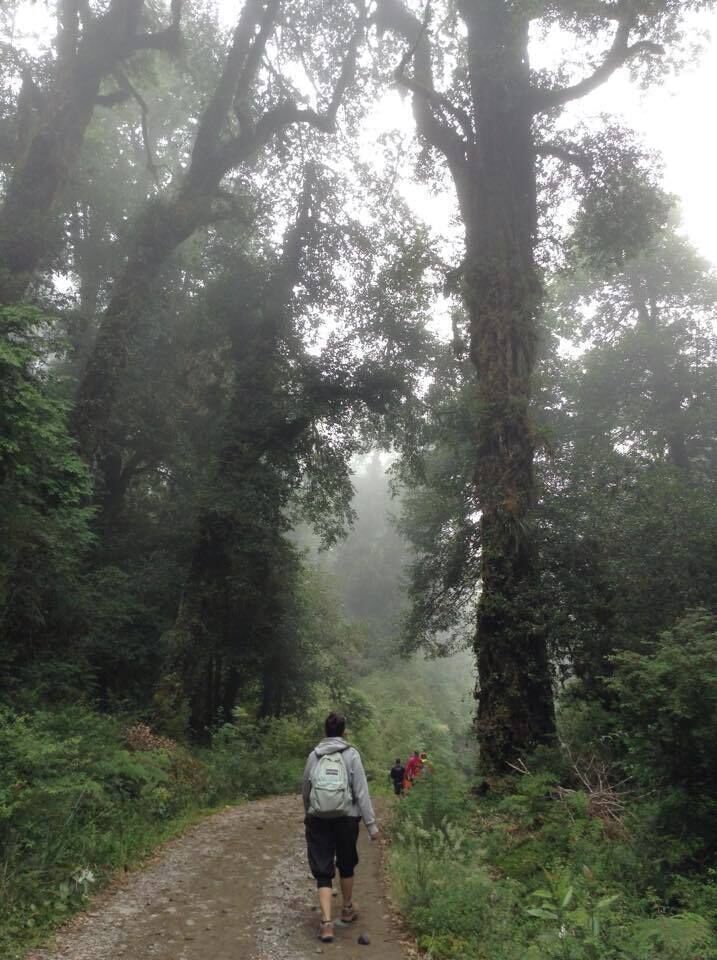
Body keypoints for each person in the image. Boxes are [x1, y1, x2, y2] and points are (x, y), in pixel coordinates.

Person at [302, 712, 379, 943]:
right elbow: (361, 792)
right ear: (344, 732)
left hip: (318, 819)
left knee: (323, 870)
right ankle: (346, 909)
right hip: (347, 818)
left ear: (325, 731)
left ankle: (326, 924)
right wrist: (371, 825)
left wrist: (309, 813)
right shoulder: (351, 755)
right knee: (346, 863)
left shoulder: (314, 756)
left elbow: (306, 789)